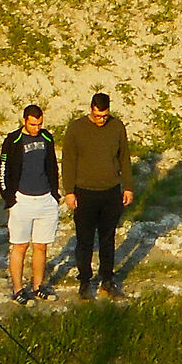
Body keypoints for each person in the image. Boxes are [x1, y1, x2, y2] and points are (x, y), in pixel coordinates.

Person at [61, 91, 135, 300]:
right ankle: (84, 281)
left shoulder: (117, 126)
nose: (101, 120)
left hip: (111, 191)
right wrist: (69, 191)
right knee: (84, 240)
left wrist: (127, 187)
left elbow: (124, 158)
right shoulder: (76, 128)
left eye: (104, 116)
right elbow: (68, 161)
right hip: (84, 192)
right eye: (97, 115)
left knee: (107, 238)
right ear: (91, 110)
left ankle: (107, 280)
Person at [0, 104, 63, 302]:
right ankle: (18, 290)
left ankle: (38, 286)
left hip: (45, 198)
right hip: (22, 200)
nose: (36, 128)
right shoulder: (13, 140)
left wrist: (54, 193)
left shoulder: (46, 137)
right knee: (20, 246)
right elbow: (3, 169)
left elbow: (52, 165)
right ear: (24, 121)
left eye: (40, 124)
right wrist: (9, 198)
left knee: (41, 246)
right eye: (33, 124)